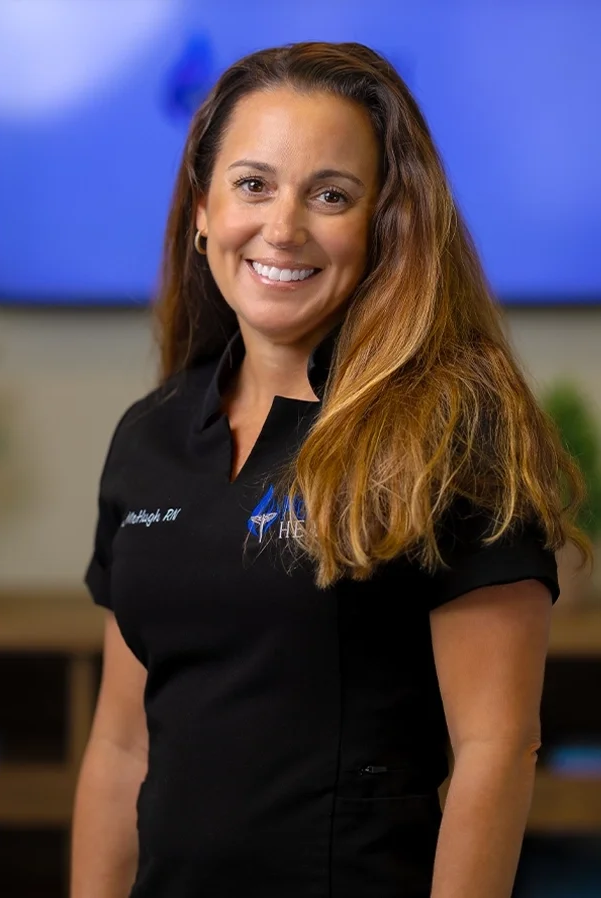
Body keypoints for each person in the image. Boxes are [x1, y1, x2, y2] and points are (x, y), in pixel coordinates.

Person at [71, 41, 590, 898]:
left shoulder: (454, 430)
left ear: (388, 222)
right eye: (252, 184)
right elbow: (123, 745)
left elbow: (496, 750)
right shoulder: (150, 437)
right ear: (202, 209)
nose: (282, 227)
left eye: (330, 195)